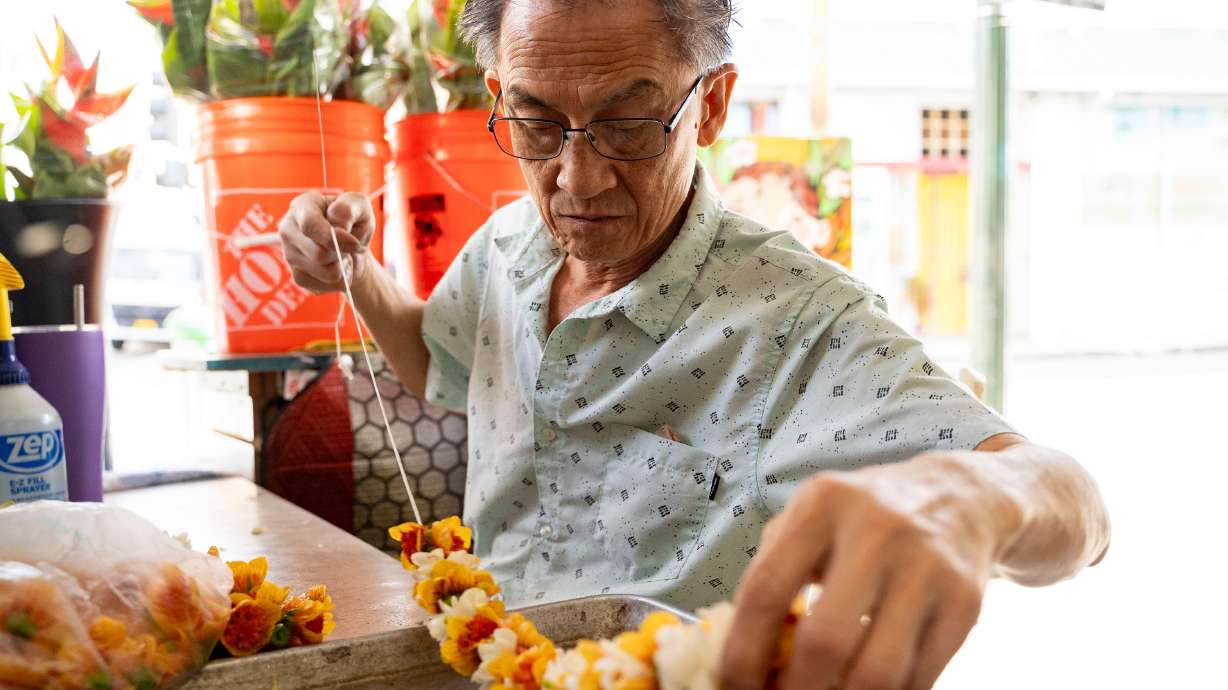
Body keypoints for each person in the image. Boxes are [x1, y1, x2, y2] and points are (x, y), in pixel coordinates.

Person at [277, 1, 1110, 687]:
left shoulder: (793, 319)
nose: (578, 179)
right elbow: (439, 360)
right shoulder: (506, 248)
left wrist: (972, 500)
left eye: (630, 123)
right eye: (536, 122)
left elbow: (1076, 507)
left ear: (709, 104)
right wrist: (355, 269)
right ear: (500, 95)